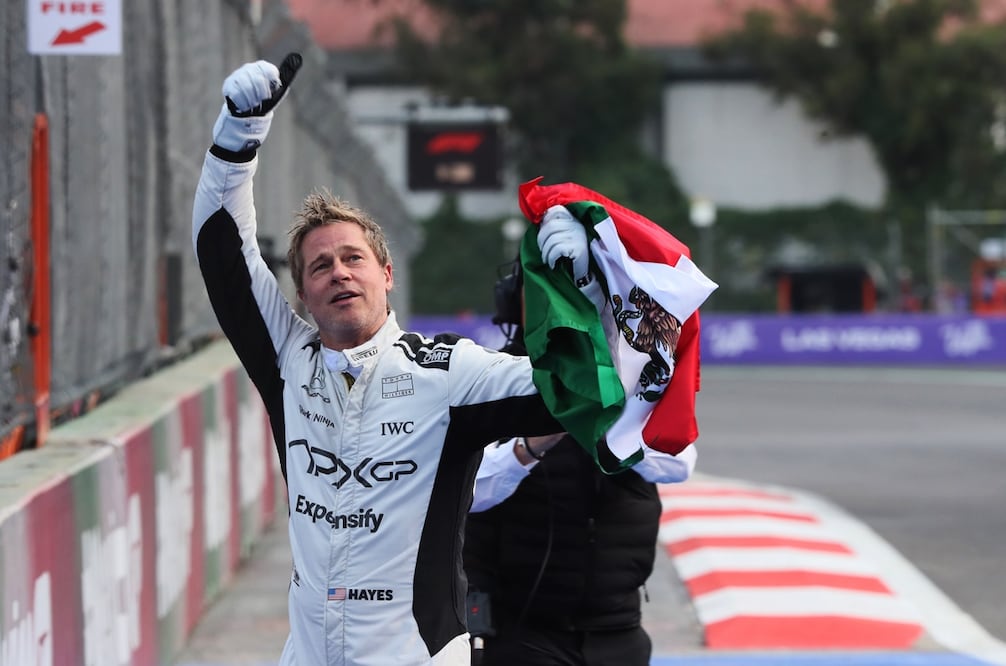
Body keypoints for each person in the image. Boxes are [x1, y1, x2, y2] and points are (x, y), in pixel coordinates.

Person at [191, 55, 589, 666]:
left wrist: (579, 288)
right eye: (320, 266)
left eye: (353, 258)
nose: (339, 273)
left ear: (386, 274)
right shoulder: (288, 358)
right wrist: (235, 138)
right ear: (301, 296)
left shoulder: (450, 372)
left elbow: (576, 389)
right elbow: (223, 252)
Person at [463, 259, 697, 666]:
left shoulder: (638, 379)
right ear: (516, 300)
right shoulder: (491, 378)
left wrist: (606, 420)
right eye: (549, 289)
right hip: (522, 631)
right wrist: (531, 446)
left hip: (618, 627)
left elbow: (680, 463)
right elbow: (469, 490)